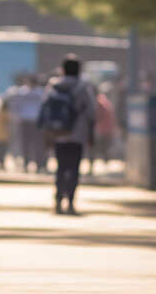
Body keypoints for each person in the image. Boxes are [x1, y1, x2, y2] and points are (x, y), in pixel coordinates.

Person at [44, 54, 96, 215]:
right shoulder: (83, 88)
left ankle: (58, 200)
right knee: (73, 169)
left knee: (60, 168)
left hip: (58, 134)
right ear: (79, 70)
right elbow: (91, 113)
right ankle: (71, 202)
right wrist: (91, 135)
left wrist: (47, 135)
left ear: (63, 69)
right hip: (77, 135)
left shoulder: (53, 85)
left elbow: (45, 112)